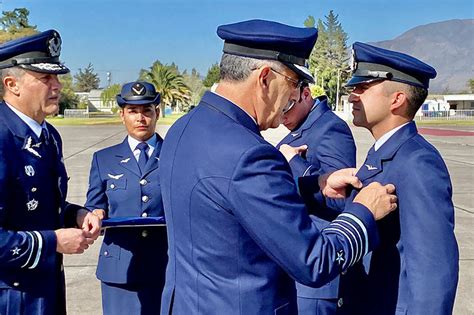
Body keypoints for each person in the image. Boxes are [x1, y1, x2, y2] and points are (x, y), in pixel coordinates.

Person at [158, 19, 398, 314]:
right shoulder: (248, 154)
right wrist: (363, 212)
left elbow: (225, 197)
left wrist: (313, 185)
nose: (292, 98)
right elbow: (314, 262)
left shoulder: (185, 128)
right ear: (264, 78)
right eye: (294, 84)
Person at [336, 42, 459, 314]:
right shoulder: (385, 152)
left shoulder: (418, 162)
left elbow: (433, 272)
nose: (352, 96)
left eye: (362, 88)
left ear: (397, 99)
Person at [0, 30, 101, 315]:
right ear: (12, 84)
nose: (57, 85)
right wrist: (54, 241)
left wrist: (76, 214)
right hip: (12, 297)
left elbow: (37, 203)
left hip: (47, 289)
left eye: (56, 77)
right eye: (45, 78)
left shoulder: (48, 136)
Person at [85, 81, 168, 314]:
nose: (140, 118)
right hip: (119, 266)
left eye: (147, 111)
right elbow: (94, 203)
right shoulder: (104, 158)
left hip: (165, 264)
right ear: (122, 115)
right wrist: (95, 213)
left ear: (157, 113)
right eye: (132, 111)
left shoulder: (175, 154)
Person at [277, 83, 356, 314]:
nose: (283, 116)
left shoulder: (330, 128)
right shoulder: (300, 129)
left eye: (288, 107)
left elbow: (341, 198)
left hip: (316, 280)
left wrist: (294, 163)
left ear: (305, 94)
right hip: (296, 266)